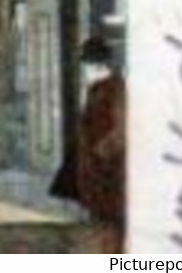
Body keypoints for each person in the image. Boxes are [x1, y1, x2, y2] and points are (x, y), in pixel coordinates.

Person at [55, 36, 127, 252]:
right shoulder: (96, 88)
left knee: (110, 221)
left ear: (98, 64)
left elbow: (121, 130)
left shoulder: (115, 88)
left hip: (108, 169)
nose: (85, 69)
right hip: (94, 168)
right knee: (100, 220)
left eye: (87, 64)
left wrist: (101, 153)